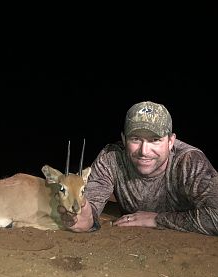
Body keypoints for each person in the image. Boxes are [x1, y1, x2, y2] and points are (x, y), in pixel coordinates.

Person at [58, 101, 218, 236]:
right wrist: (85, 218)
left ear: (171, 141)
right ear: (123, 139)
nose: (144, 151)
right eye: (135, 139)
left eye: (155, 140)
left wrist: (157, 219)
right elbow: (90, 206)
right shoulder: (111, 157)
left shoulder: (189, 161)